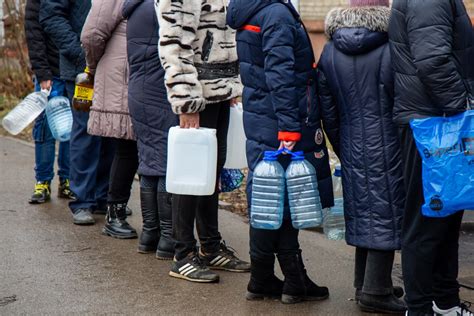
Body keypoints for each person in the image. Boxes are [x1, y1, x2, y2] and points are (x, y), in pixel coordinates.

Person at [227, 0, 332, 303]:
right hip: (282, 121)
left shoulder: (255, 9)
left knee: (268, 197)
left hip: (262, 118)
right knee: (286, 197)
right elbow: (280, 73)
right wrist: (289, 127)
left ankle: (262, 279)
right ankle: (294, 281)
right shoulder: (276, 14)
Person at [317, 0, 406, 313]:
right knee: (386, 213)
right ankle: (376, 292)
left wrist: (343, 145)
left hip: (352, 141)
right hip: (390, 142)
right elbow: (402, 99)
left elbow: (327, 109)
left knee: (367, 211)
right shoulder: (391, 46)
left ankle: (365, 283)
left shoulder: (329, 49)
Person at [388, 1, 474, 315]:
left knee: (446, 217)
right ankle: (420, 308)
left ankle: (445, 303)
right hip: (431, 124)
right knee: (426, 222)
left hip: (436, 119)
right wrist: (463, 105)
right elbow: (432, 60)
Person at [156, 0, 250, 283]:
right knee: (191, 175)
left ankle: (210, 246)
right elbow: (174, 45)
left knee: (211, 172)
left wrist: (233, 84)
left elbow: (225, 33)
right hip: (196, 95)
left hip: (221, 90)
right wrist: (186, 102)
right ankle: (183, 254)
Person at [40, 0, 116, 225]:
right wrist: (79, 51)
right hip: (81, 69)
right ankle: (82, 200)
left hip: (114, 67)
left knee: (111, 130)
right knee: (86, 131)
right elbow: (51, 16)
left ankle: (103, 197)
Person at [123, 0, 178, 259]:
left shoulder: (134, 7)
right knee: (166, 163)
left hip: (138, 90)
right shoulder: (159, 7)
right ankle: (168, 237)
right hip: (161, 93)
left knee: (148, 161)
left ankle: (149, 233)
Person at [80, 0, 137, 239]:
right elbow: (92, 35)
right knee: (127, 147)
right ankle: (115, 214)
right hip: (121, 76)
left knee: (137, 149)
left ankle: (125, 211)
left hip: (142, 73)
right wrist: (93, 66)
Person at [24, 0, 75, 204]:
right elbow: (34, 35)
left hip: (72, 70)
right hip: (50, 74)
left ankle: (68, 180)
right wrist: (42, 73)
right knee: (44, 128)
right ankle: (42, 181)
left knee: (70, 128)